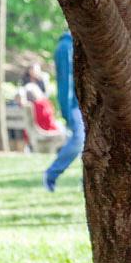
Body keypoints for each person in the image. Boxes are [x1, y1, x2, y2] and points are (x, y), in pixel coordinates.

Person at [45, 32, 84, 191]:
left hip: (83, 105)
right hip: (74, 105)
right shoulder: (65, 47)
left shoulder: (77, 45)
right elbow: (65, 83)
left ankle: (87, 181)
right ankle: (52, 174)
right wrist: (67, 111)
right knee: (78, 140)